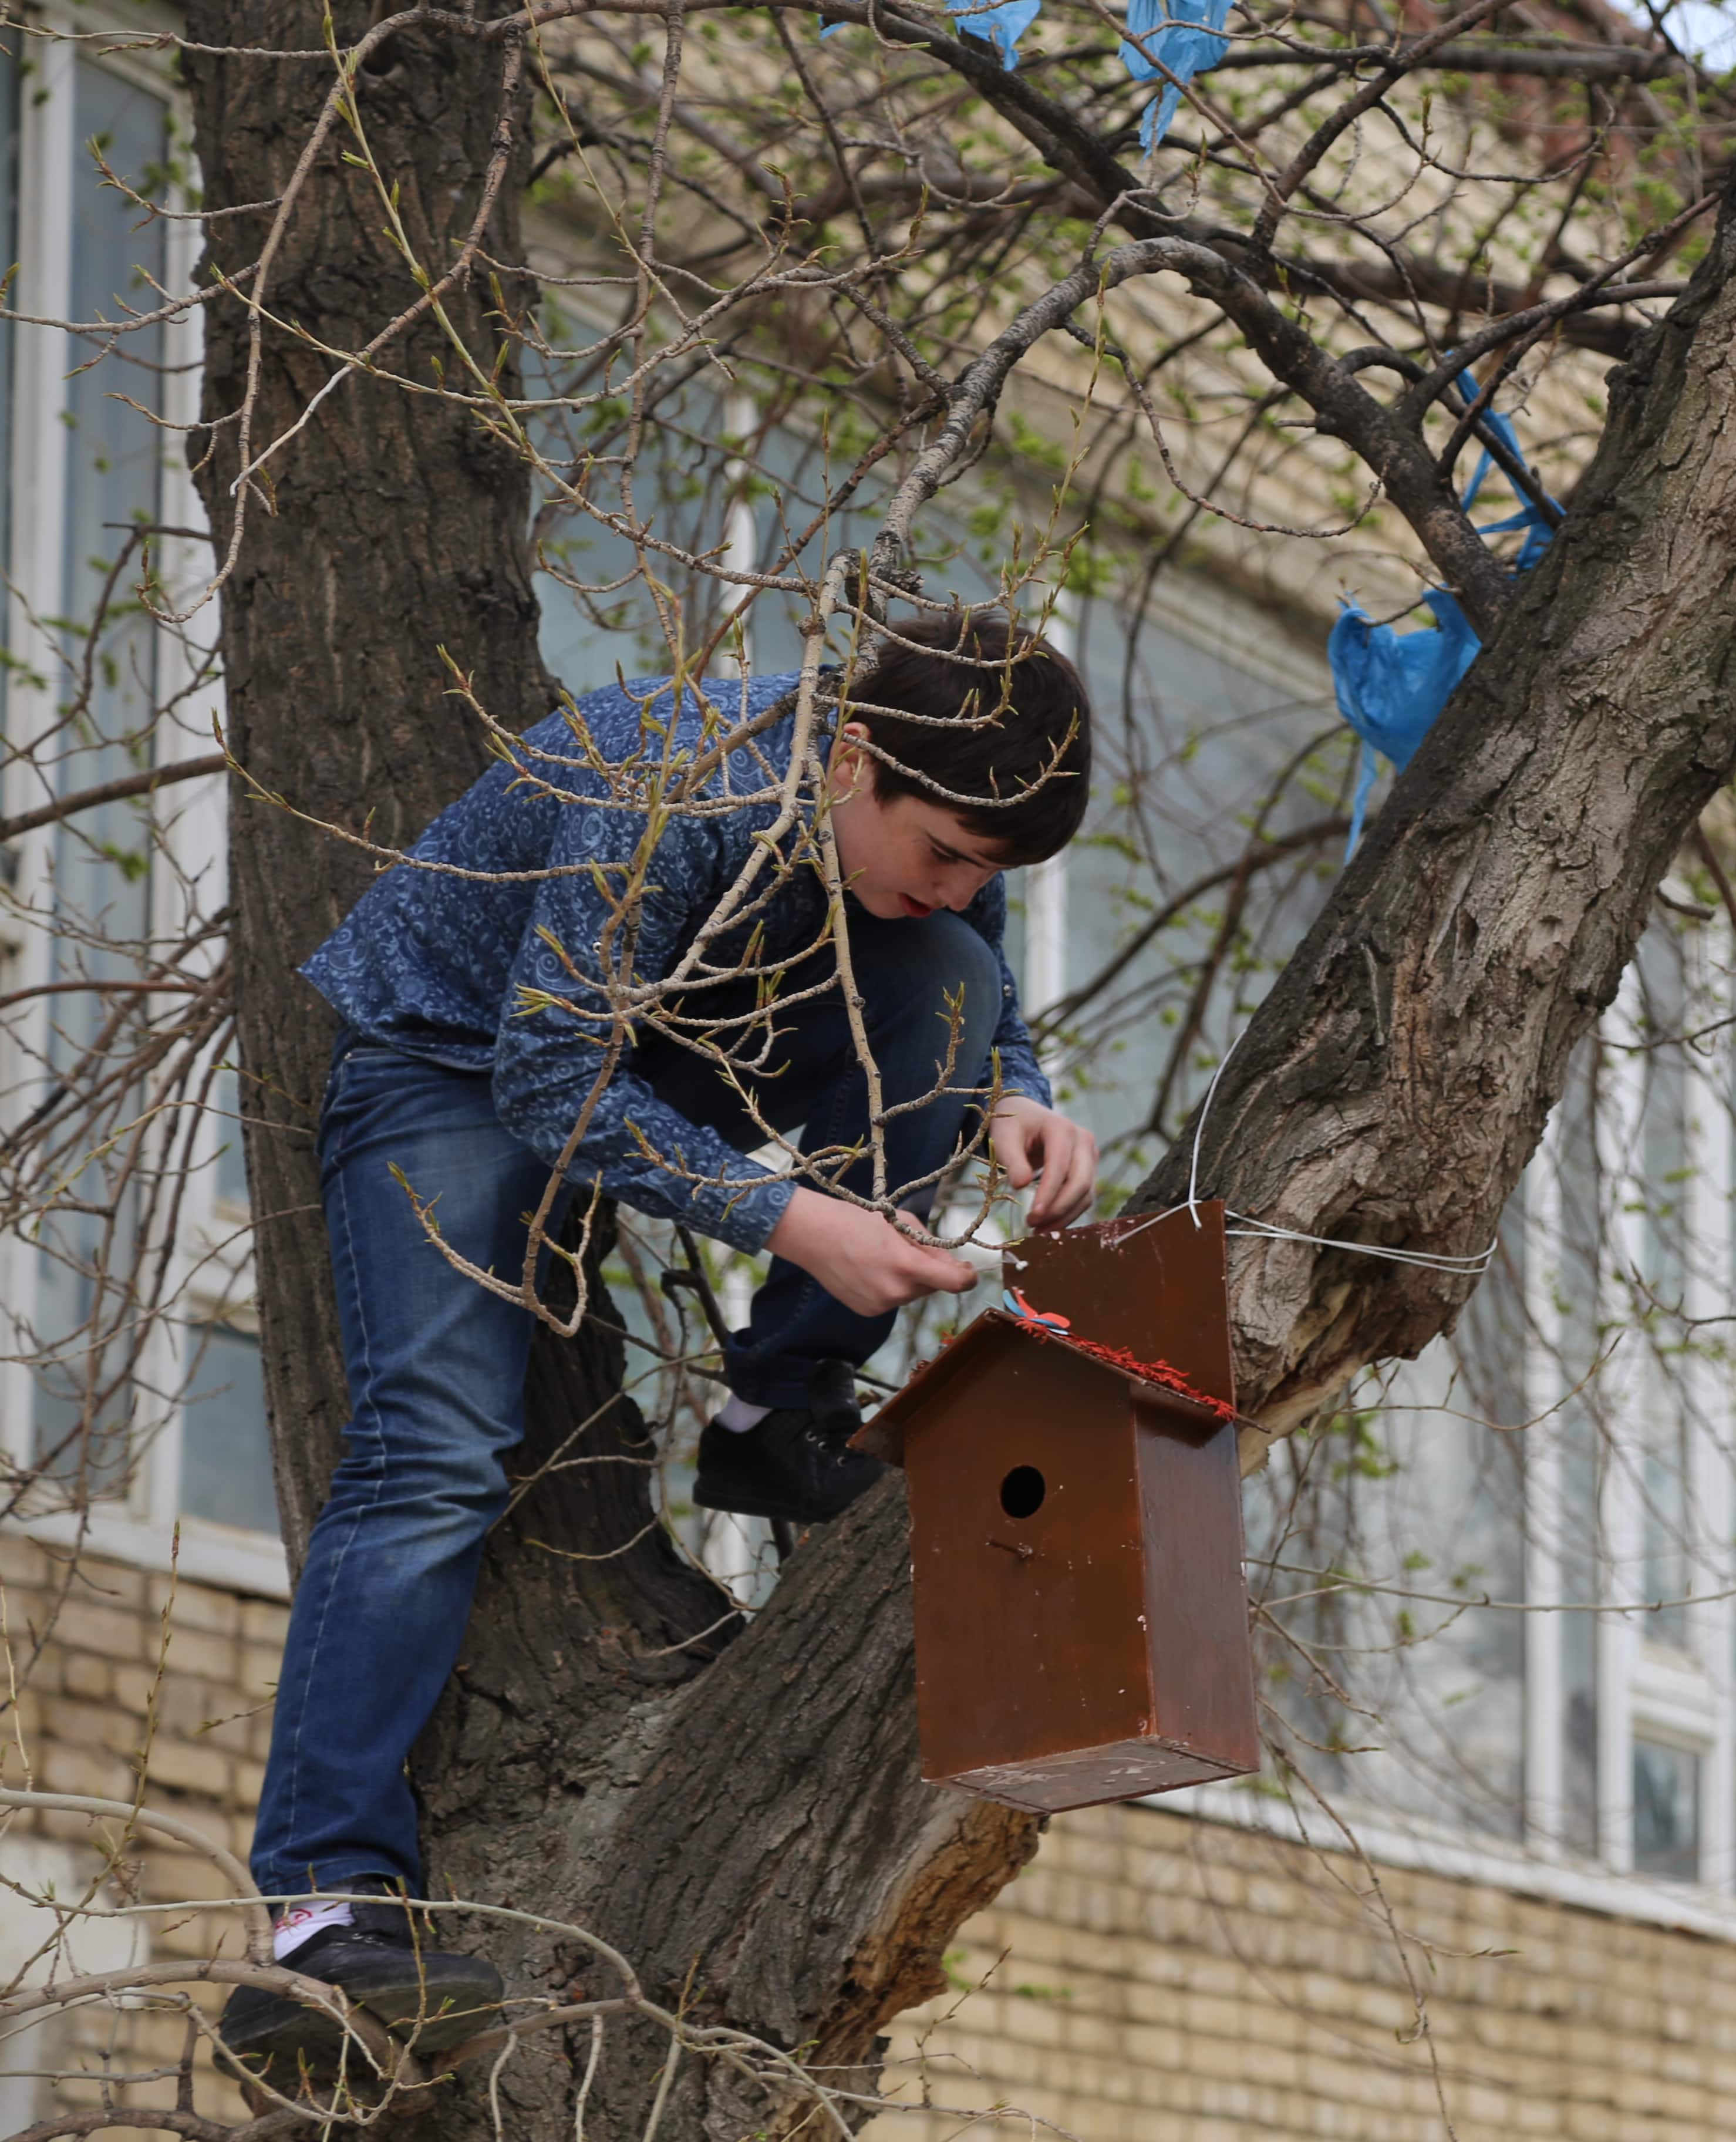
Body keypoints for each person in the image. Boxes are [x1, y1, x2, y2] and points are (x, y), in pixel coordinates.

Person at [220, 609, 1101, 2074]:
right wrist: (787, 1215)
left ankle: (777, 1418)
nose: (961, 884)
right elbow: (549, 1069)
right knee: (434, 1456)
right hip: (460, 1056)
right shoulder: (669, 786)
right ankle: (326, 1906)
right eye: (944, 851)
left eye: (990, 869)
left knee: (943, 979)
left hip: (670, 1031)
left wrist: (1012, 1087)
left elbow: (967, 947)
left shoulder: (925, 826)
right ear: (856, 754)